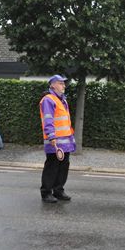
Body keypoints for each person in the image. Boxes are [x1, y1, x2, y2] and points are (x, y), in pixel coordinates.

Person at [39, 75, 76, 203]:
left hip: (65, 142)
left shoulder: (63, 100)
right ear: (52, 85)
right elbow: (48, 119)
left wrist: (71, 138)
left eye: (64, 83)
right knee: (52, 166)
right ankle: (46, 192)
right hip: (54, 141)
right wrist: (51, 136)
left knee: (63, 166)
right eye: (61, 83)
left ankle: (58, 190)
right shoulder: (48, 100)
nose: (64, 86)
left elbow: (65, 122)